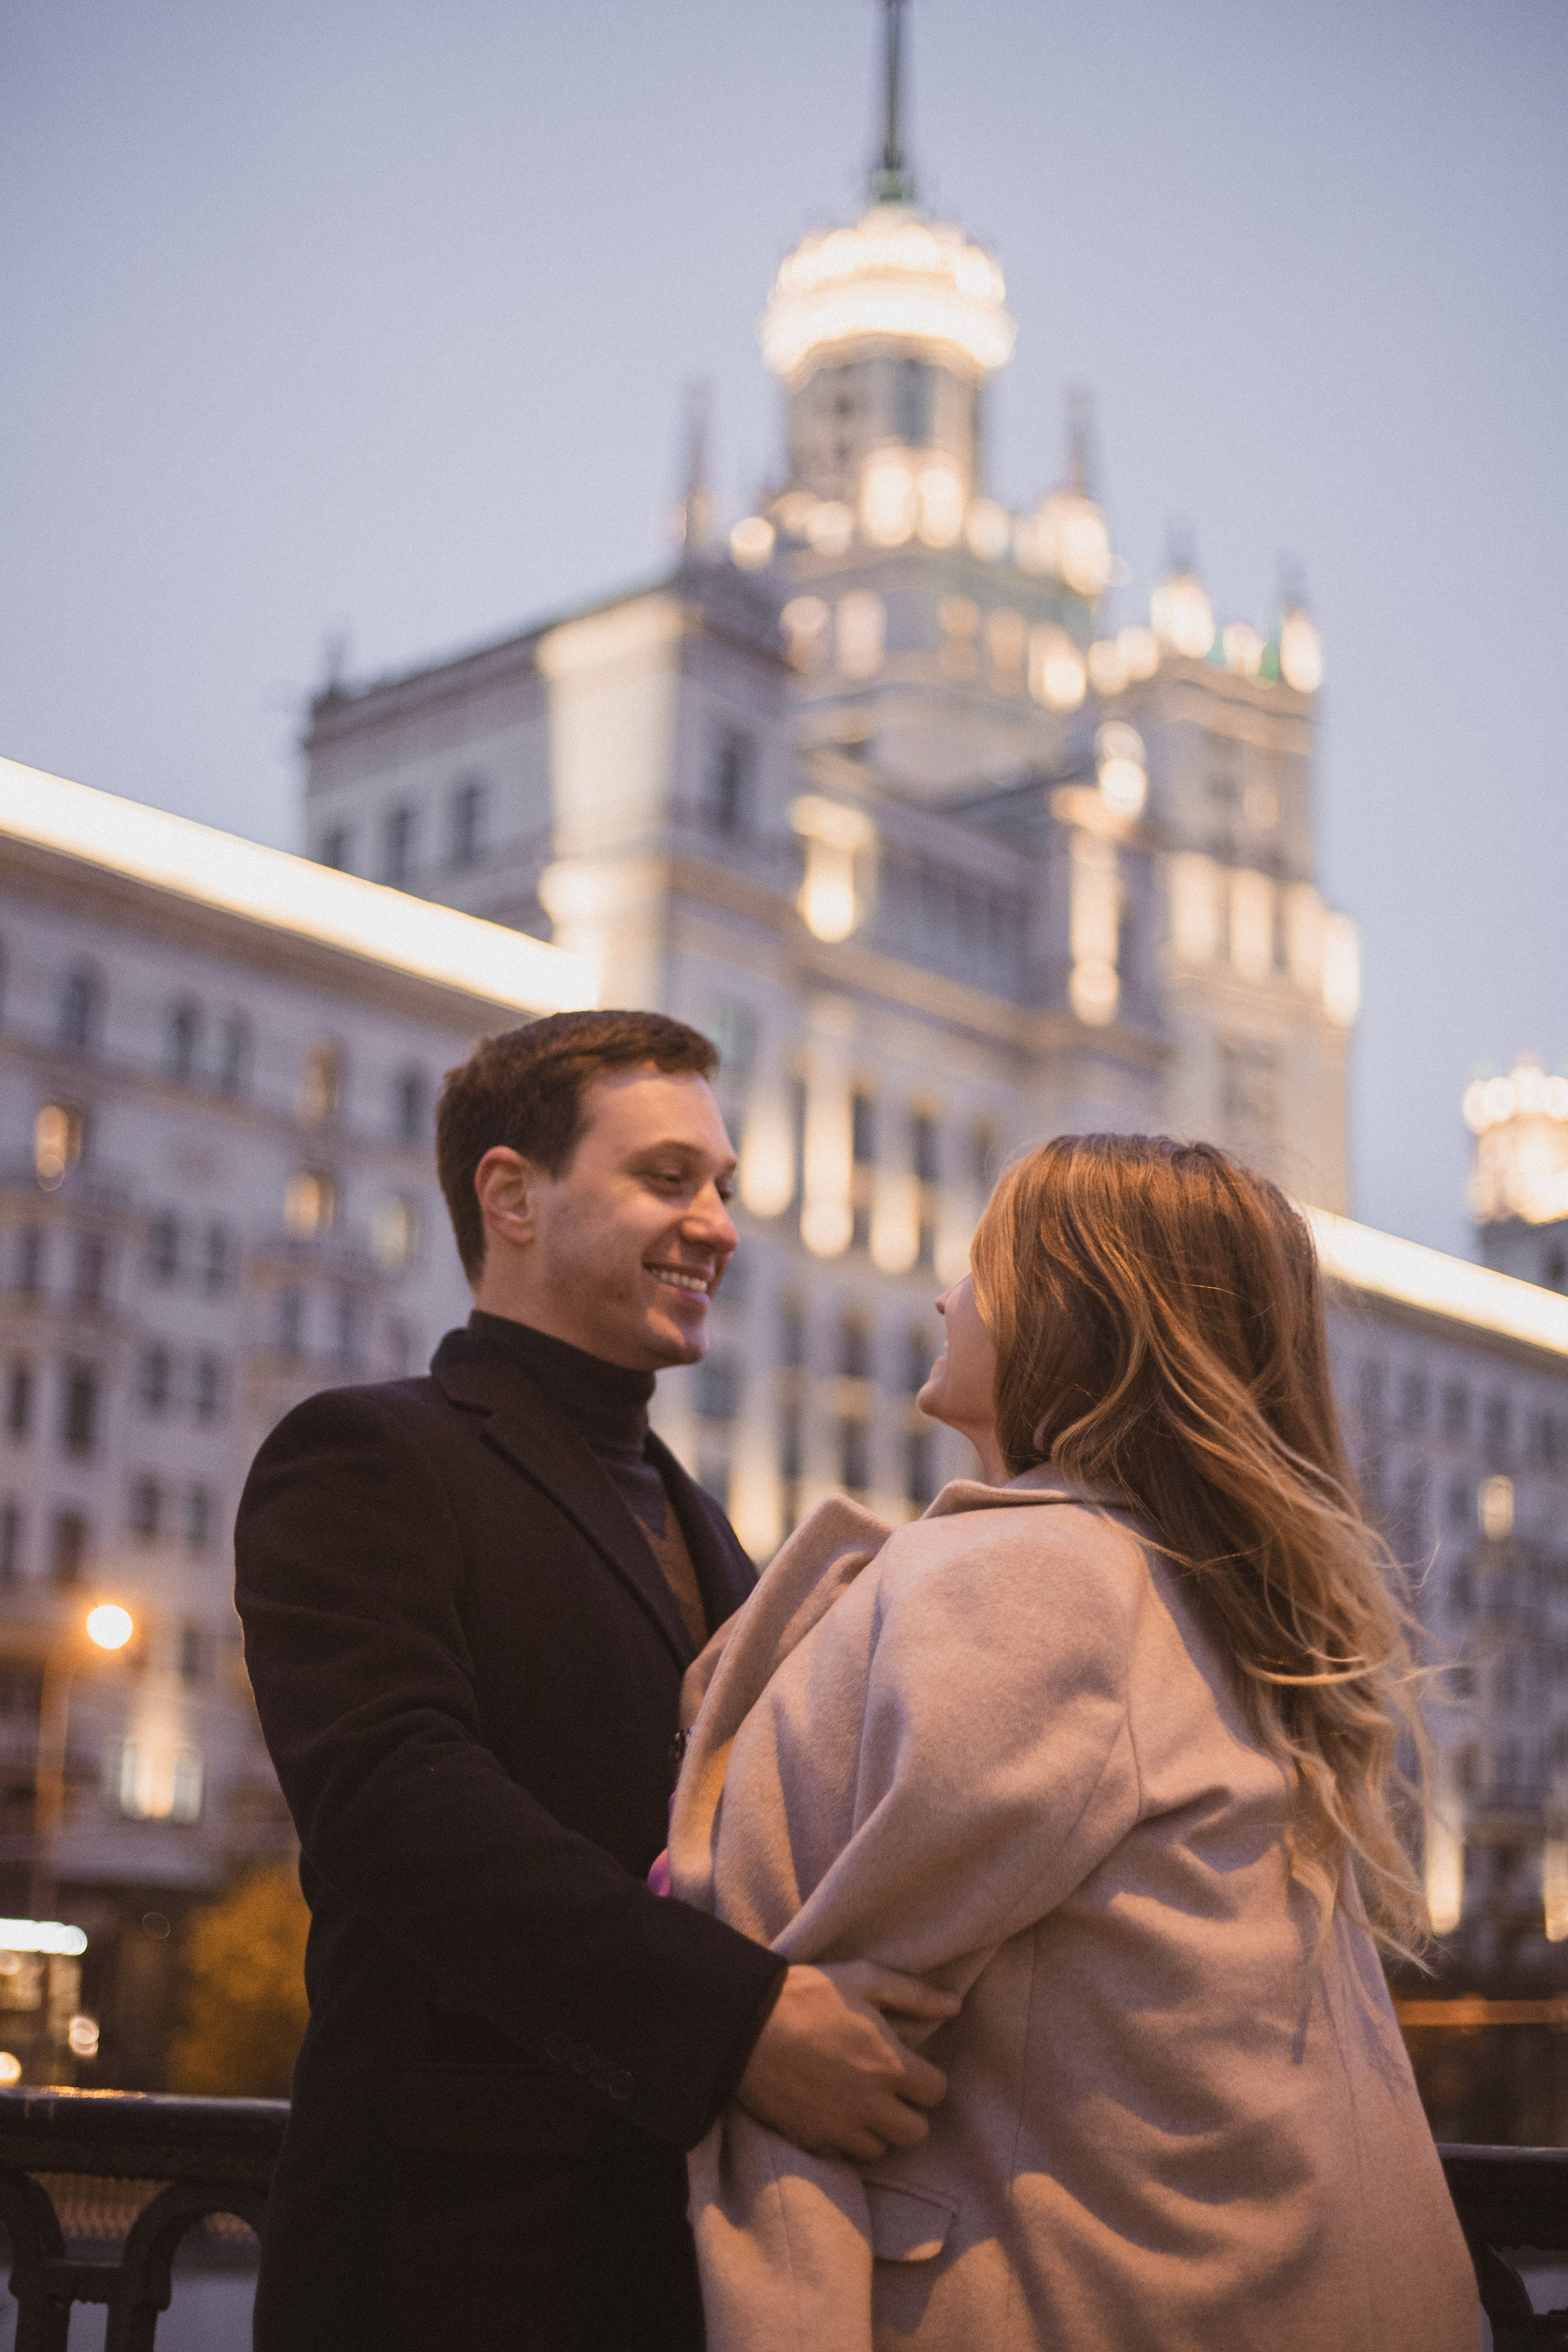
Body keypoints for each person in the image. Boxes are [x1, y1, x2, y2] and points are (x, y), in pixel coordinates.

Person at [667, 1133, 1485, 2352]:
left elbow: (819, 2037)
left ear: (1071, 1313)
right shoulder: (1196, 1589)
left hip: (1070, 2297)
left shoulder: (1027, 1581)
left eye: (982, 1268)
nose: (943, 1295)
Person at [235, 1010, 954, 2352]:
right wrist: (739, 2026)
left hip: (684, 2264)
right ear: (510, 1195)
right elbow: (399, 1807)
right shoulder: (362, 1456)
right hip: (447, 2269)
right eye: (668, 1178)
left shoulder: (710, 1529)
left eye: (723, 1189)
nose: (720, 1226)